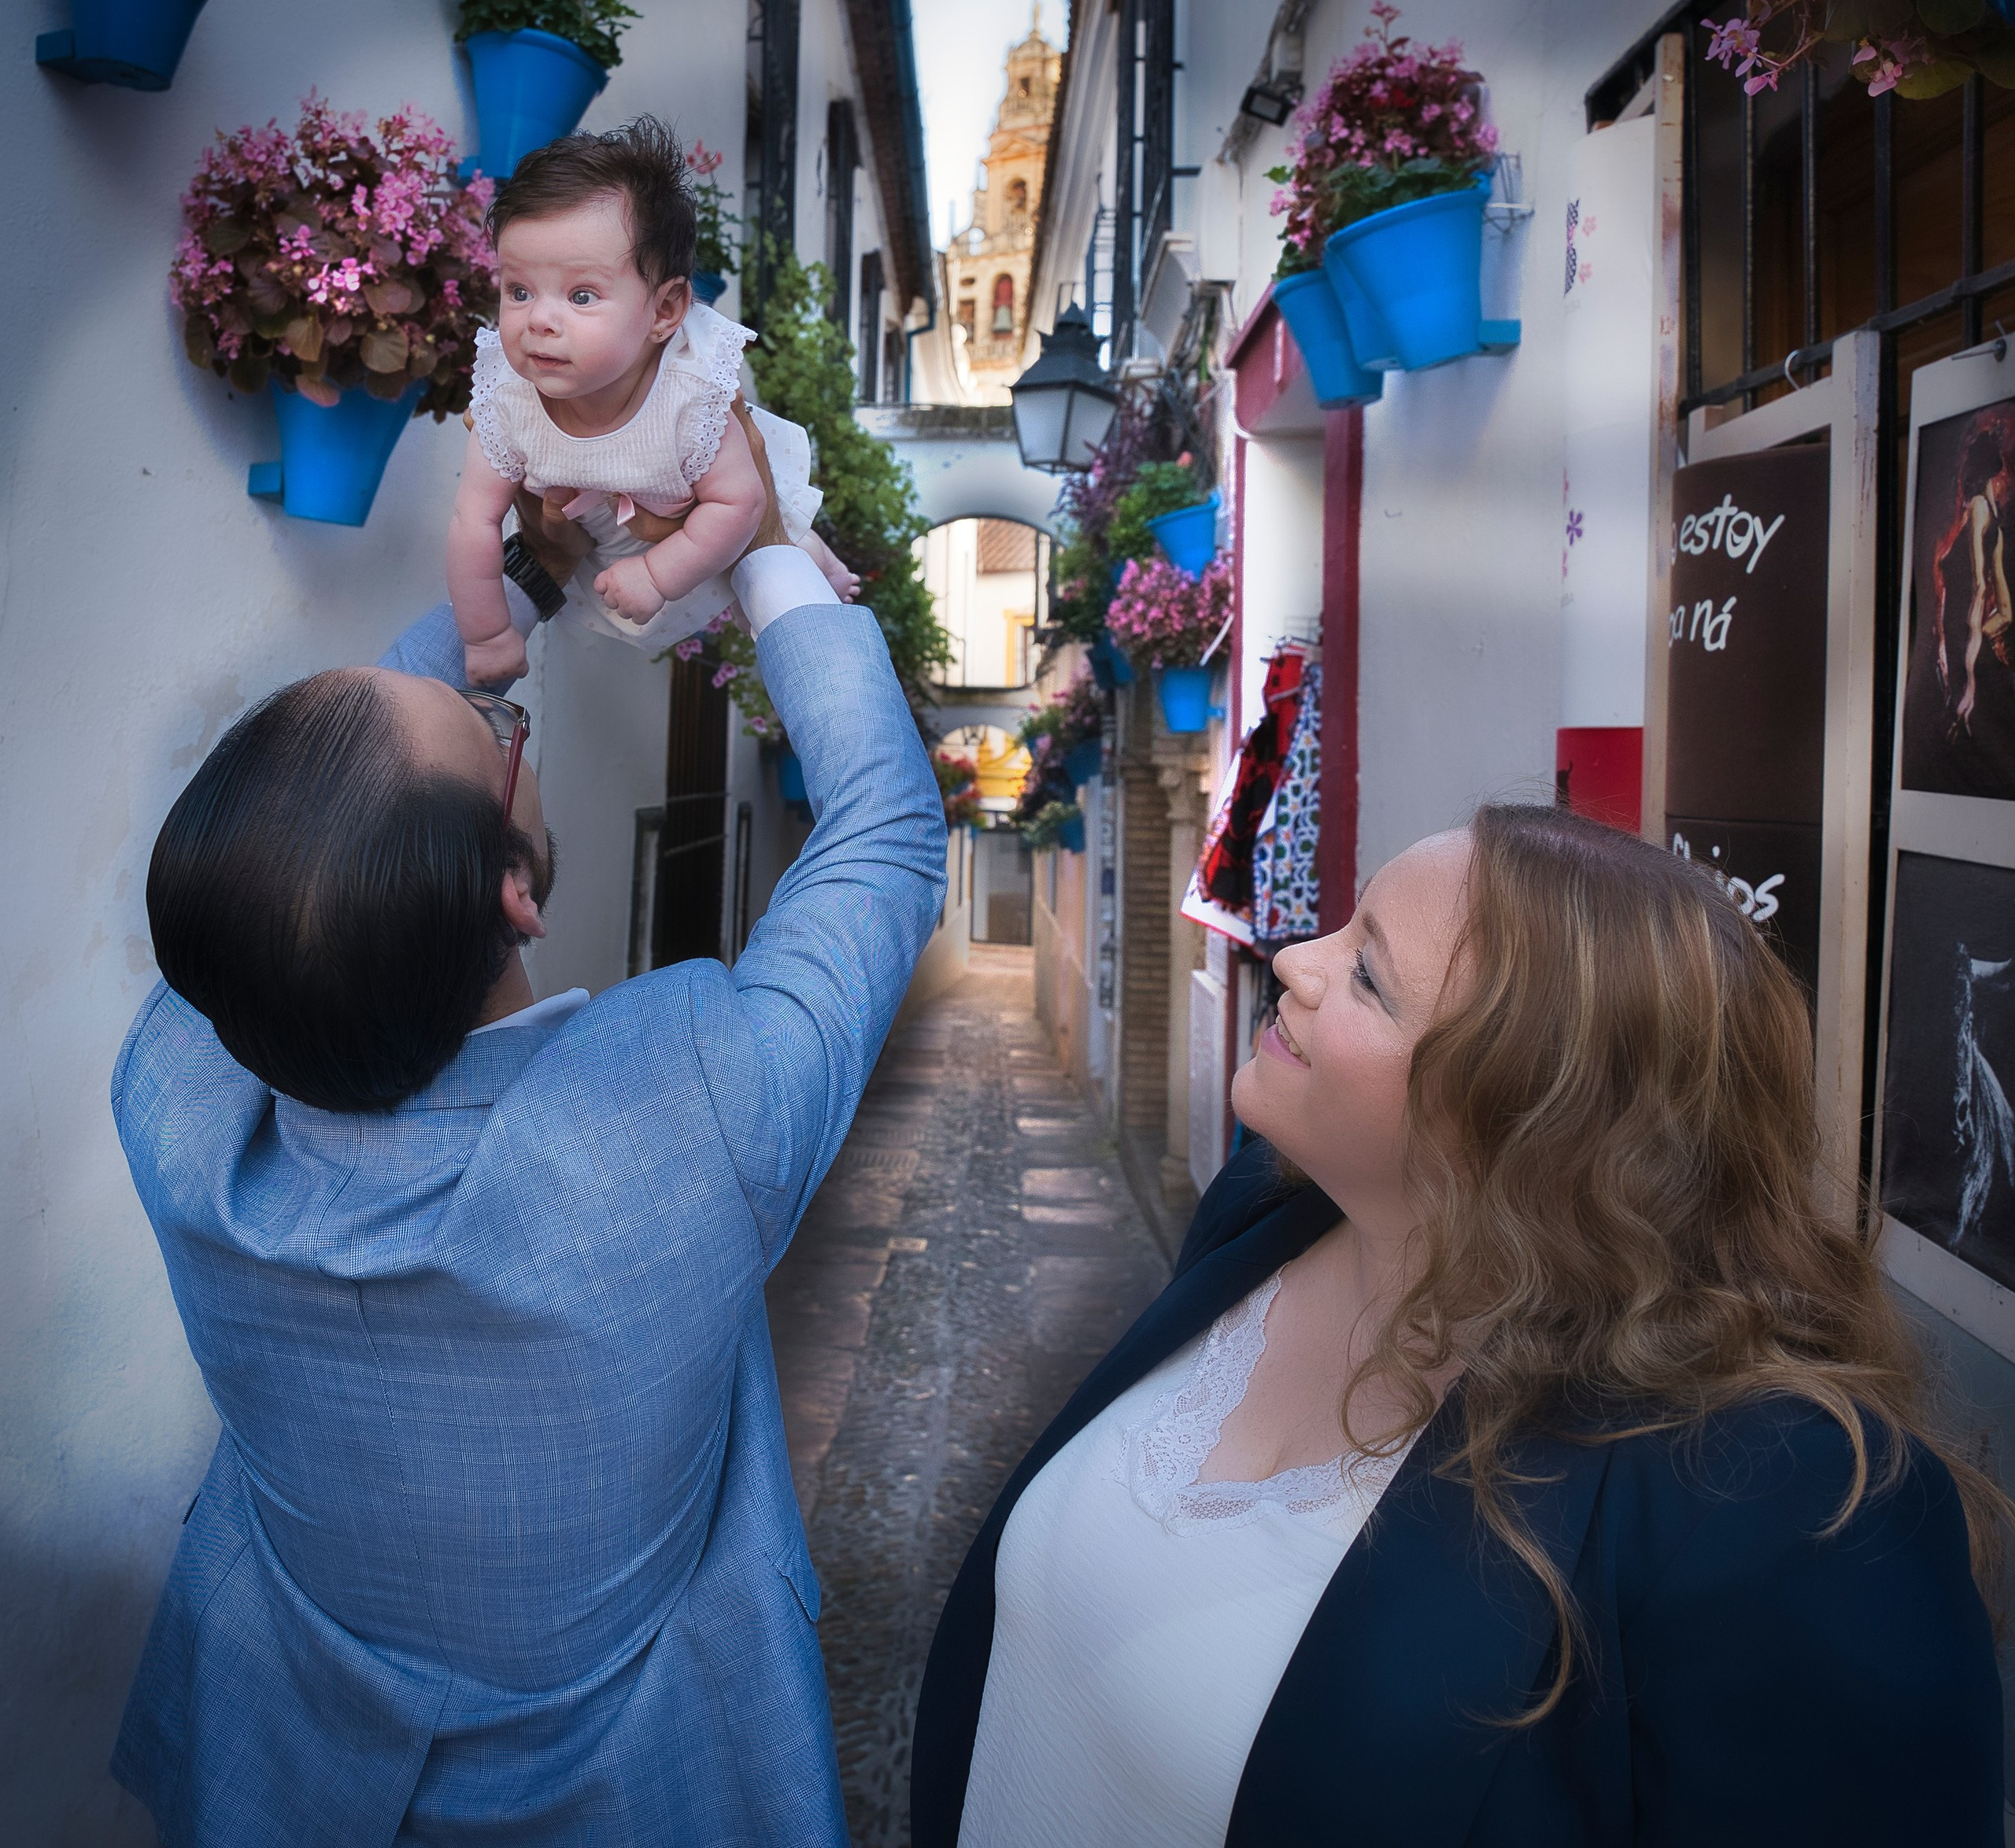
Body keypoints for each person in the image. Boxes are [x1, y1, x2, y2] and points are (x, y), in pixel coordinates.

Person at [109, 422, 945, 1846]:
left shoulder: (176, 1095)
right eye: (503, 737)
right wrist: (756, 545)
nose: (508, 726)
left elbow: (333, 809)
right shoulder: (688, 1112)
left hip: (287, 1767)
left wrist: (512, 596)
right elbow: (883, 827)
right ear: (514, 892)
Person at [911, 804, 2008, 1847]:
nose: (1294, 957)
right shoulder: (1269, 1211)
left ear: (1529, 1124)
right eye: (1345, 922)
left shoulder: (1783, 1506)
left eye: (1368, 975)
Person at [449, 116, 856, 683]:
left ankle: (823, 565)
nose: (538, 319)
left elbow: (739, 505)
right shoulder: (509, 401)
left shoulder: (688, 398)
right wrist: (487, 632)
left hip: (699, 518)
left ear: (664, 312)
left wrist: (661, 574)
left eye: (581, 295)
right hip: (601, 532)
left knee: (773, 558)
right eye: (519, 291)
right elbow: (474, 519)